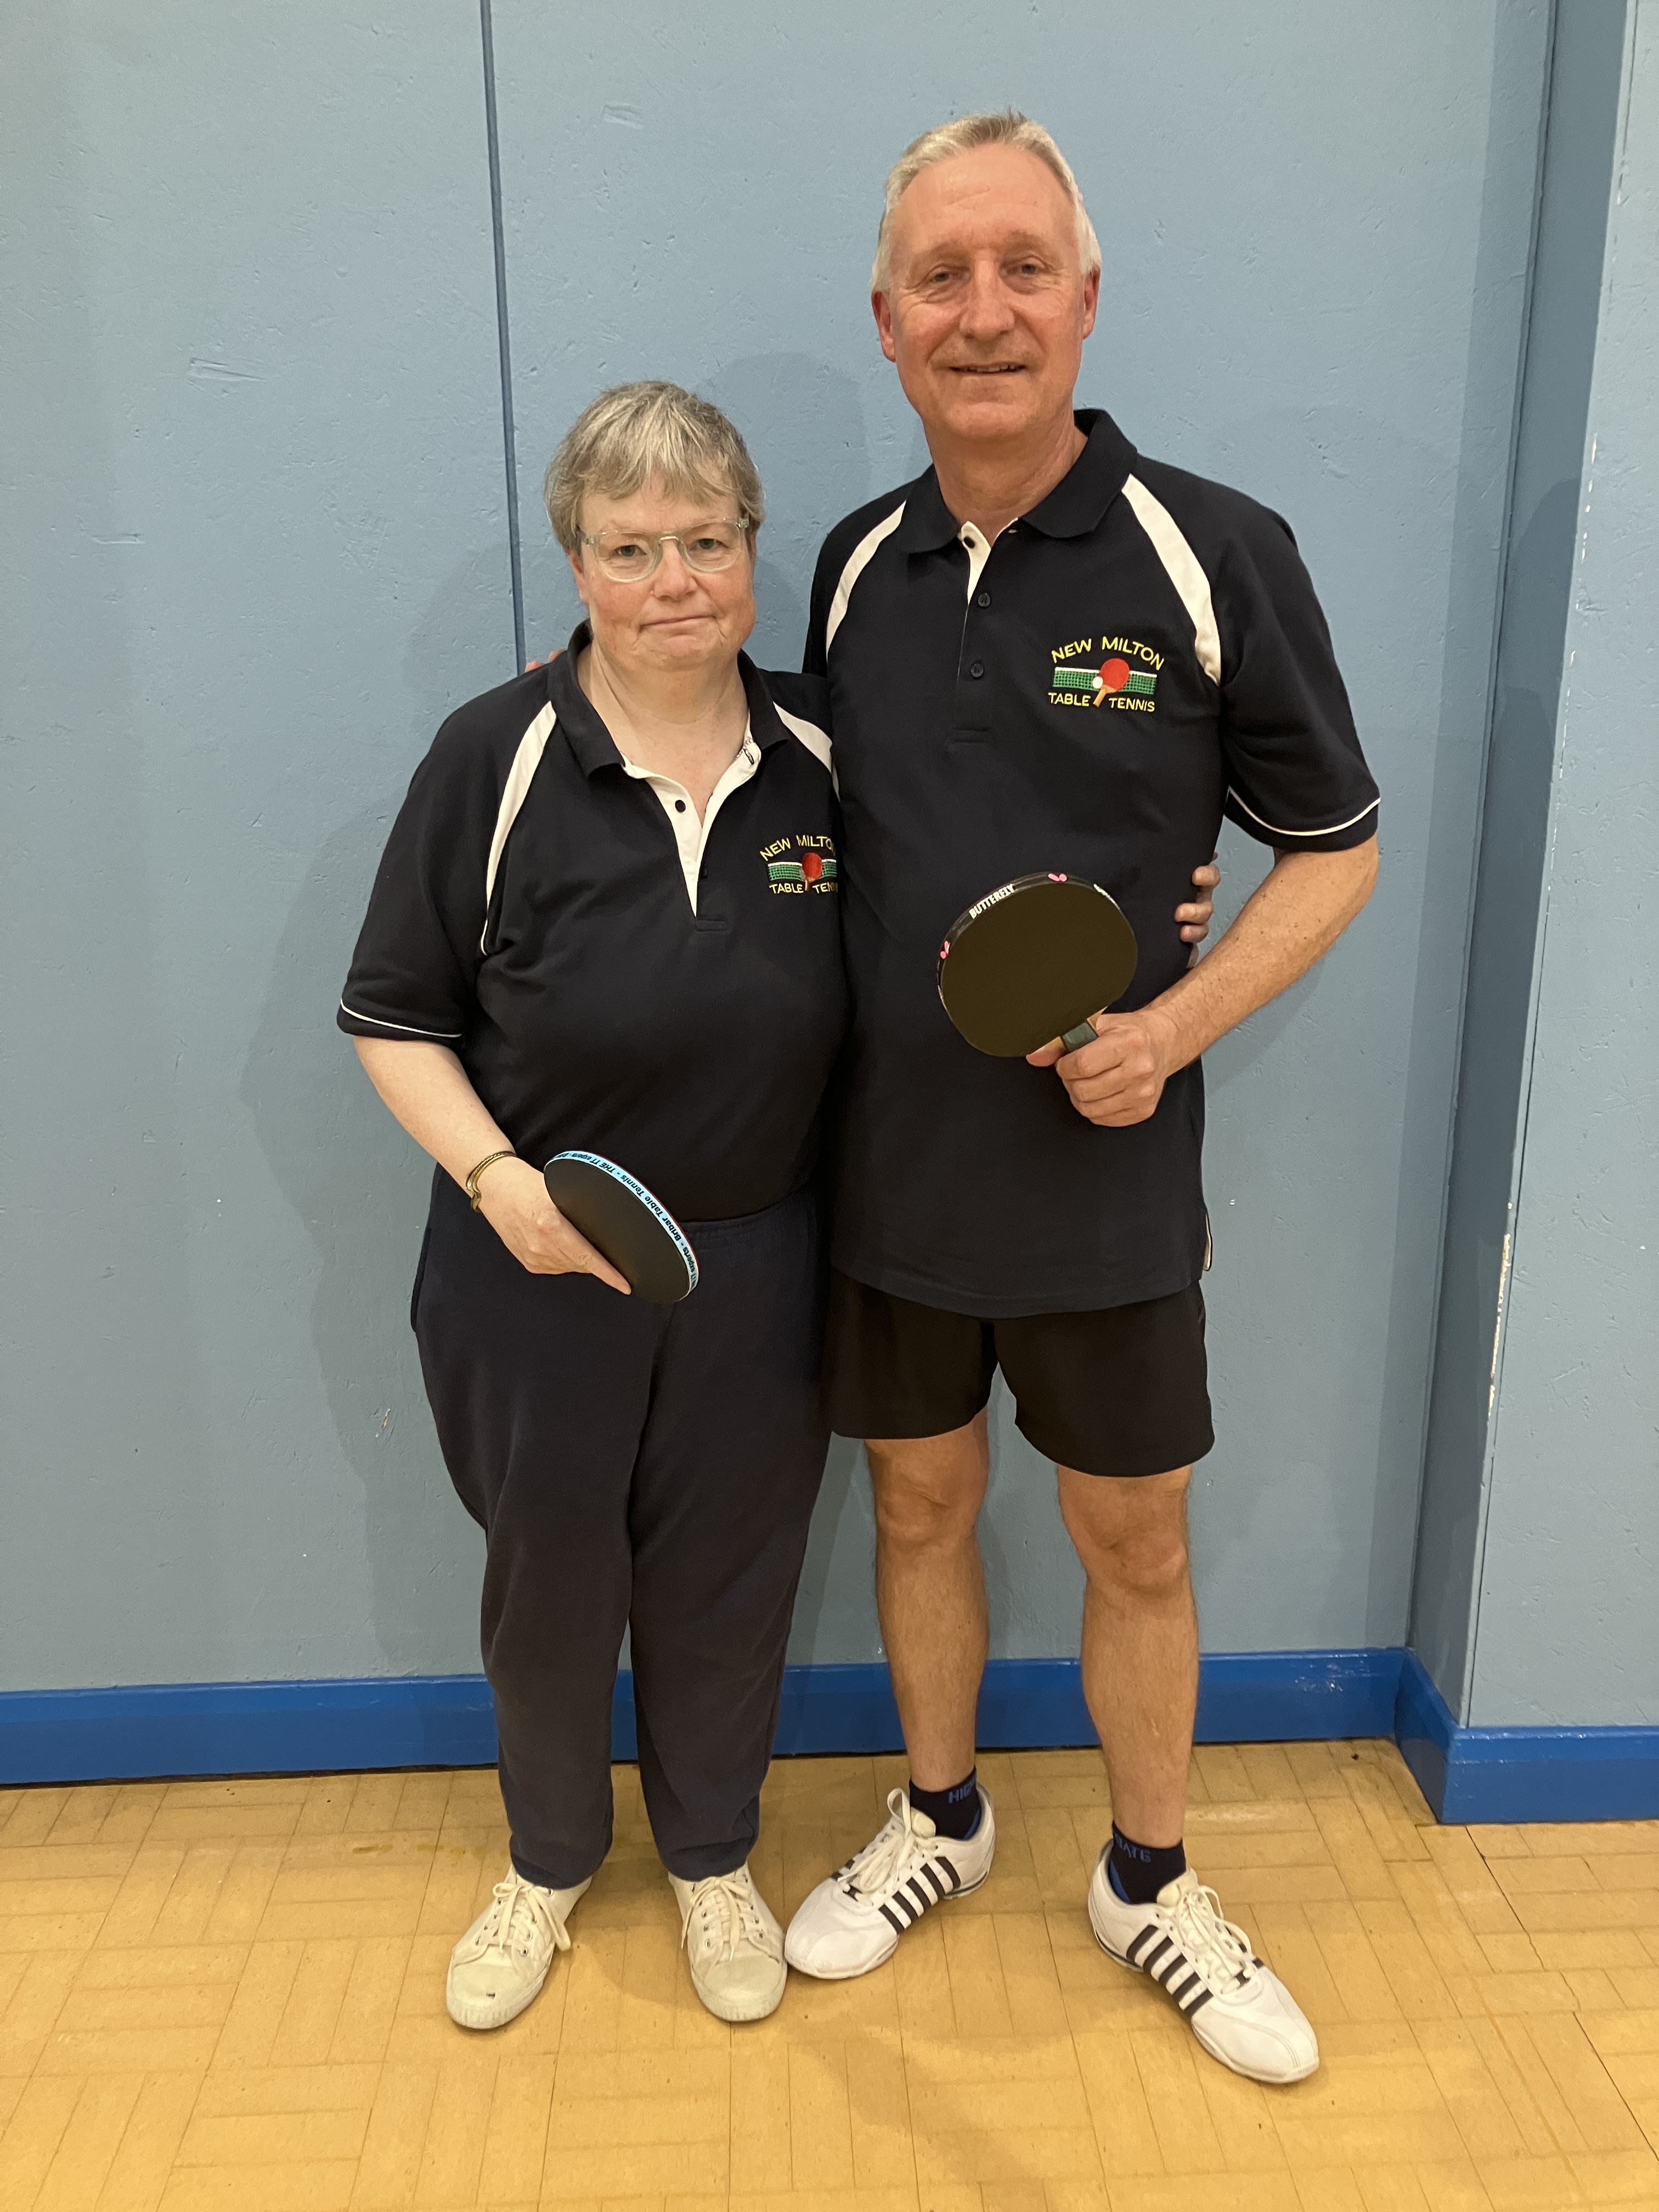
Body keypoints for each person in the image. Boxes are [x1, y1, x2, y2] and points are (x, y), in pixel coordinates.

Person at [780, 115, 1379, 2091]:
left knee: (1135, 1543)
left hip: (1107, 1179)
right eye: (942, 276)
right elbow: (828, 825)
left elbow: (1337, 847)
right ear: (887, 321)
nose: (985, 311)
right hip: (894, 1169)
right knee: (919, 1502)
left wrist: (1176, 1022)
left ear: (1087, 300)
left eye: (1023, 268)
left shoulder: (1216, 551)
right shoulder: (853, 566)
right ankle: (941, 1818)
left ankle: (1148, 1878)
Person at [338, 383, 849, 2029]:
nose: (674, 580)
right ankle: (549, 1862)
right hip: (535, 1263)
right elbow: (394, 1017)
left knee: (731, 1580)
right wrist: (499, 1185)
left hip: (764, 1262)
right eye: (631, 549)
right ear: (577, 564)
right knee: (549, 1583)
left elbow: (959, 907)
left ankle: (711, 1861)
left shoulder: (829, 755)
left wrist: (1161, 893)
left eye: (706, 540)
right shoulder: (492, 757)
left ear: (752, 548)